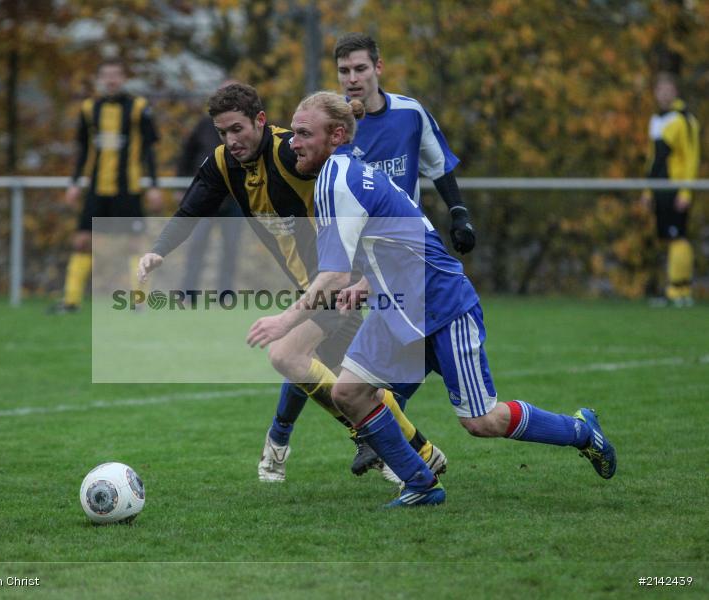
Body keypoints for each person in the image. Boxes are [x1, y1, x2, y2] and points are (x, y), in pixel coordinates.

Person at [248, 92, 617, 507]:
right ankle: (421, 484)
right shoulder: (352, 172)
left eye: (303, 133)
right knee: (348, 393)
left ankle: (582, 431)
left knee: (481, 421)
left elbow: (333, 273)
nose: (292, 142)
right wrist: (364, 286)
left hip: (441, 306)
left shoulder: (337, 178)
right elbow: (404, 241)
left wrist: (285, 321)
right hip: (397, 306)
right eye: (293, 132)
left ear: (336, 135)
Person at [137, 83, 446, 482]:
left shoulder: (290, 151)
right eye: (222, 132)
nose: (231, 141)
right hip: (312, 286)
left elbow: (343, 168)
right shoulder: (222, 164)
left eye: (237, 129)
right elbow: (191, 209)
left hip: (339, 282)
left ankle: (364, 442)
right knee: (339, 378)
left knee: (287, 354)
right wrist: (159, 250)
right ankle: (420, 451)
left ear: (260, 121)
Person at [257, 32, 477, 482]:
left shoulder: (409, 113)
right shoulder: (330, 125)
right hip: (353, 268)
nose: (352, 78)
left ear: (378, 67)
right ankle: (383, 446)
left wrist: (458, 213)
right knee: (298, 354)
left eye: (359, 68)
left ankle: (398, 453)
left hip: (397, 270)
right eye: (343, 71)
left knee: (323, 361)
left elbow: (439, 165)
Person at [49, 58, 163, 314]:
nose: (111, 79)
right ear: (100, 79)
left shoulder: (138, 107)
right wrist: (75, 182)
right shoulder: (90, 108)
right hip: (97, 189)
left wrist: (154, 185)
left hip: (128, 189)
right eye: (106, 75)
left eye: (116, 74)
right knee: (81, 242)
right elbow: (83, 149)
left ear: (124, 78)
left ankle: (139, 301)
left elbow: (149, 150)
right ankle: (70, 302)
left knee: (136, 245)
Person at [639, 72, 700, 307]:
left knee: (678, 236)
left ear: (675, 90)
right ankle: (678, 290)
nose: (663, 93)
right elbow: (652, 159)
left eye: (667, 89)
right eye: (659, 89)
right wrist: (647, 191)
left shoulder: (684, 119)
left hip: (676, 188)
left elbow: (691, 157)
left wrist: (686, 191)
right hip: (659, 188)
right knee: (669, 237)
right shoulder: (657, 119)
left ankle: (679, 290)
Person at [176, 112, 243, 295]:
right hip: (206, 199)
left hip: (235, 200)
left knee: (230, 248)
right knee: (196, 245)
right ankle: (188, 292)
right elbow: (187, 154)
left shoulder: (247, 128)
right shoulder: (204, 125)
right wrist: (181, 188)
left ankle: (225, 294)